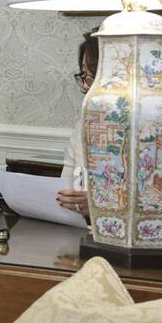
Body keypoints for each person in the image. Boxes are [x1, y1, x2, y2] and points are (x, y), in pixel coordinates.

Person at [58, 28, 99, 219]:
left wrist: (95, 206)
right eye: (84, 75)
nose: (84, 86)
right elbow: (66, 186)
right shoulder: (82, 125)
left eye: (91, 76)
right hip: (77, 226)